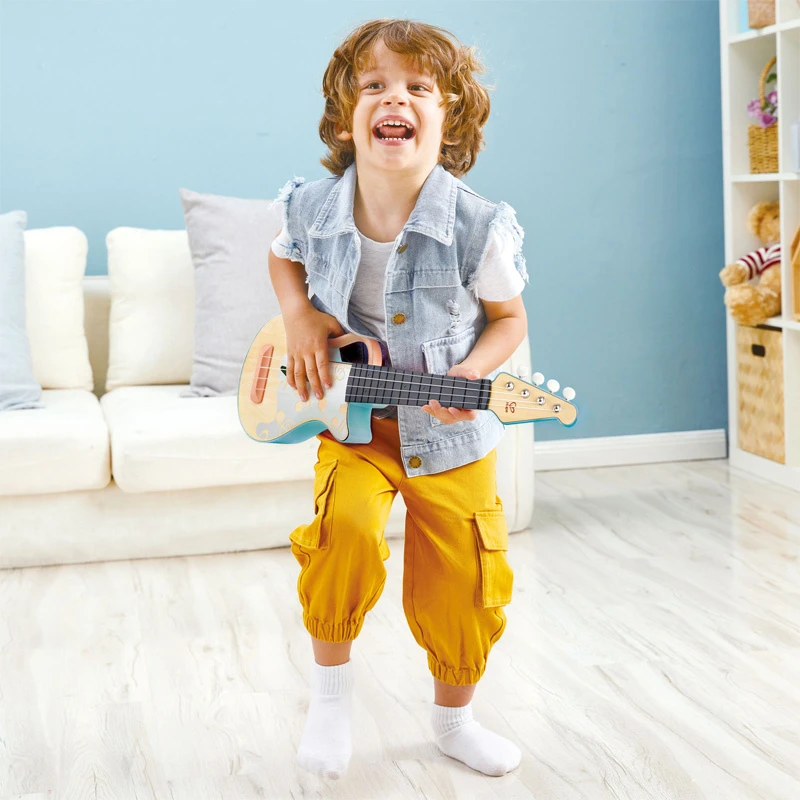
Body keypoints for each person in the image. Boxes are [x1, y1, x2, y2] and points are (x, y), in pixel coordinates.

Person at [268, 18, 529, 780]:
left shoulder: (478, 227)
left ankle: (455, 722)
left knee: (465, 583)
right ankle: (330, 701)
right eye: (375, 86)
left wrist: (471, 373)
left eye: (419, 87)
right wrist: (299, 315)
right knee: (342, 535)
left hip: (448, 438)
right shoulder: (312, 206)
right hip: (353, 425)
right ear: (344, 119)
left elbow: (510, 320)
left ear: (450, 121)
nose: (396, 99)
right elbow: (281, 259)